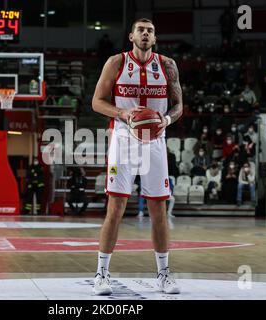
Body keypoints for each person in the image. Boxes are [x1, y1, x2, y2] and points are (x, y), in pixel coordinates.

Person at [91, 18, 182, 295]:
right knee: (115, 207)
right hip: (123, 138)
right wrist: (123, 113)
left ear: (154, 38)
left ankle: (164, 274)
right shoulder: (116, 63)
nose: (145, 34)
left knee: (159, 210)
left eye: (150, 31)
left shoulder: (167, 65)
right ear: (131, 35)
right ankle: (102, 274)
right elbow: (97, 101)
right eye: (141, 30)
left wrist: (166, 119)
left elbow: (179, 106)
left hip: (156, 140)